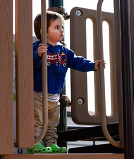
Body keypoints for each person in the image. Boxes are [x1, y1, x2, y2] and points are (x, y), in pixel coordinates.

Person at [27, 11, 105, 154]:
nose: (61, 30)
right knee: (37, 121)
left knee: (52, 124)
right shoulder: (38, 47)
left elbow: (77, 61)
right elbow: (29, 63)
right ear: (43, 31)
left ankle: (51, 145)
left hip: (54, 96)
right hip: (38, 93)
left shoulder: (64, 51)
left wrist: (92, 65)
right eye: (56, 27)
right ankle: (34, 144)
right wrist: (38, 55)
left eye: (62, 27)